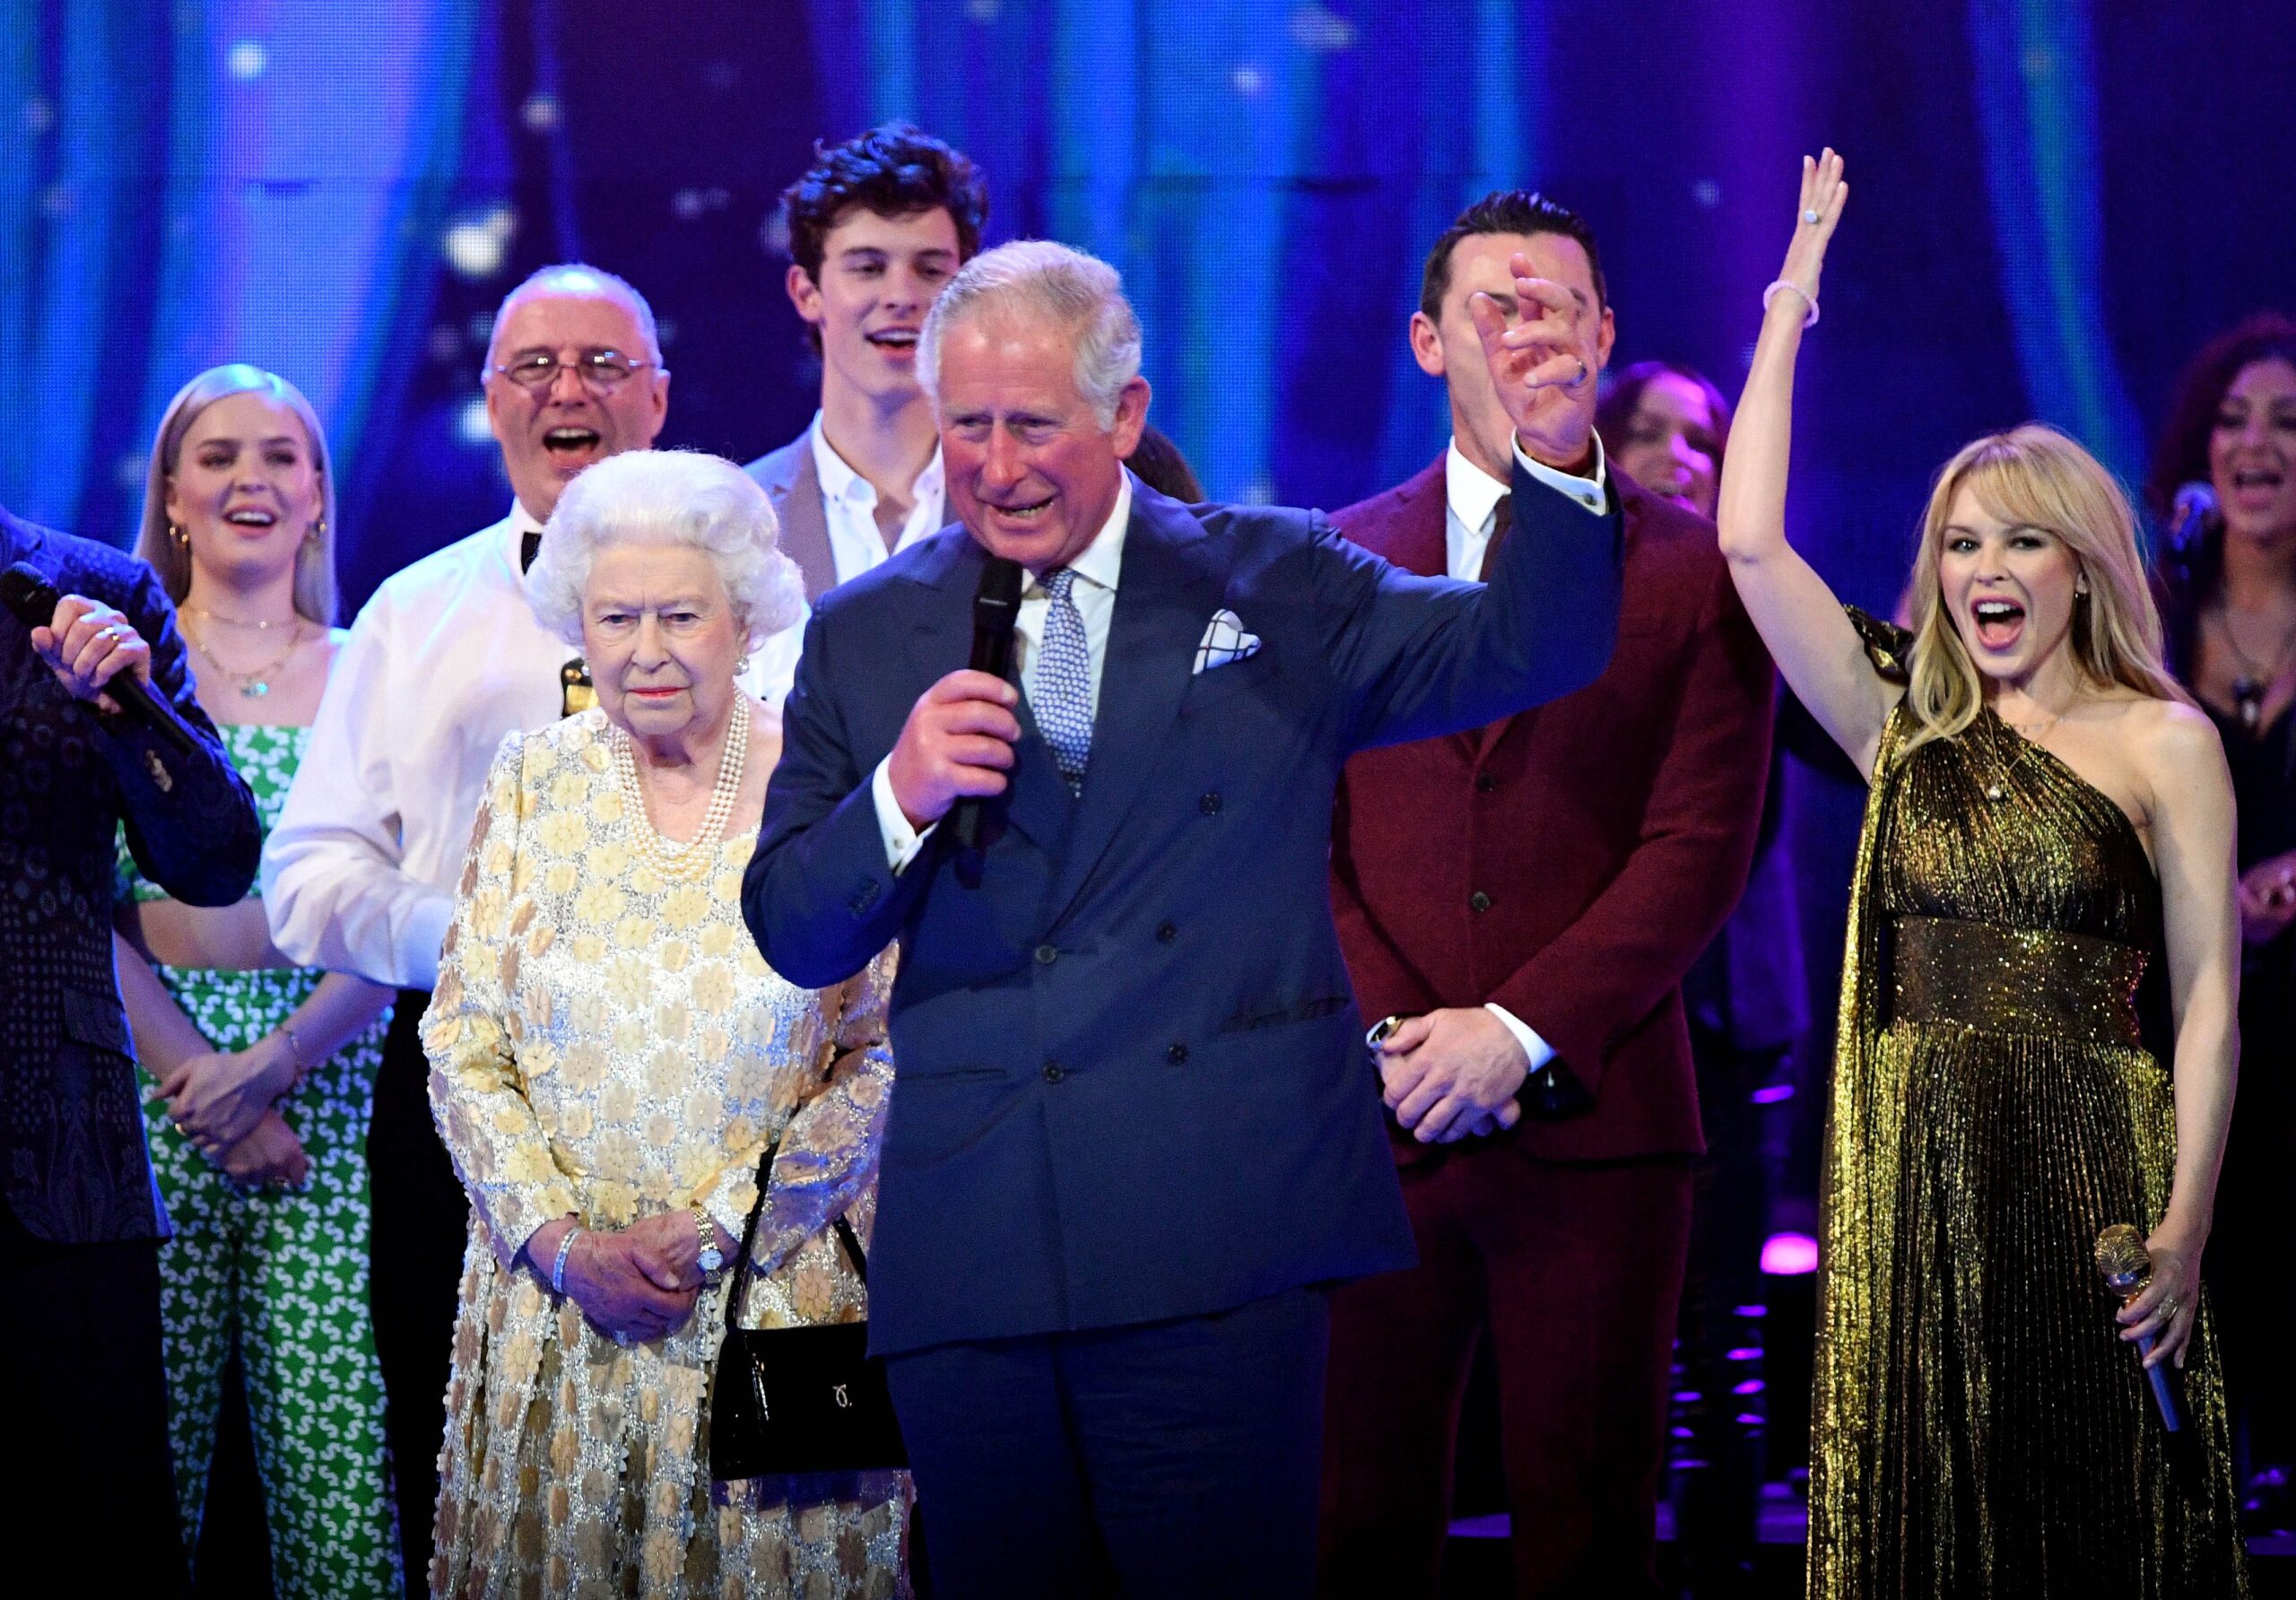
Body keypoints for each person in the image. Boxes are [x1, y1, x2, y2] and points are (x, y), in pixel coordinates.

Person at [743, 237, 1622, 1598]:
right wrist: (897, 796)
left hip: (1214, 1236)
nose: (995, 465)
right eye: (965, 426)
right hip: (978, 1249)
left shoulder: (1277, 579)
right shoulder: (866, 634)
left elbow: (1530, 646)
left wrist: (1554, 467)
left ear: (1124, 416)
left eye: (1032, 425)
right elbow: (795, 930)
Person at [1724, 152, 2248, 1596]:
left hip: (2098, 1173)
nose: (1983, 569)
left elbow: (2210, 1001)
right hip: (1917, 1174)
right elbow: (1749, 542)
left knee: (2099, 1516)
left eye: (2020, 539)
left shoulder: (2166, 742)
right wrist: (1790, 296)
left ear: (2082, 564)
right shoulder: (1900, 723)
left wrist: (2189, 1225)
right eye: (1960, 543)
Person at [264, 262, 793, 1586]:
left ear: (659, 397)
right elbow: (308, 878)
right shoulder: (412, 612)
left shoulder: (773, 628)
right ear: (493, 399)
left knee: (756, 1520)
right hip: (477, 1112)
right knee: (507, 1488)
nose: (570, 389)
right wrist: (495, 949)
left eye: (605, 364)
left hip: (743, 1139)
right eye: (535, 366)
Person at [1317, 196, 1773, 1598]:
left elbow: (1700, 845)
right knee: (1354, 1520)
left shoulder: (1697, 570)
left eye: (1555, 307)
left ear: (1604, 336)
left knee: (1590, 1525)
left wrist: (1515, 1033)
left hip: (1600, 1121)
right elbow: (1296, 837)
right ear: (1427, 340)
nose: (1527, 334)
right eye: (1495, 308)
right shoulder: (1334, 562)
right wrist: (1401, 1037)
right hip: (1376, 1122)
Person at [423, 448, 909, 1596]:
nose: (645, 649)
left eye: (680, 615)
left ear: (744, 621)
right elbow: (461, 1040)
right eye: (616, 617)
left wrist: (720, 1224)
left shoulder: (827, 788)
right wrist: (561, 1243)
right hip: (560, 1315)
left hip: (771, 1304)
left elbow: (881, 1050)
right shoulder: (531, 777)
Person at [111, 365, 400, 1595]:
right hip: (150, 1100)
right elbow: (71, 907)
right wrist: (203, 1084)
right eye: (219, 456)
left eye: (280, 456)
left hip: (324, 1089)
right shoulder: (117, 672)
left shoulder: (378, 668)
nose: (251, 480)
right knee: (138, 1474)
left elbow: (410, 907)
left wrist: (273, 1070)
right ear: (173, 495)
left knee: (341, 1502)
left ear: (319, 494)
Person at [2, 497, 264, 1593]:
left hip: (59, 1165)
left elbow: (216, 863)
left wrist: (129, 713)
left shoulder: (94, 590)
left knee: (90, 1539)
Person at [1597, 360, 1810, 1593]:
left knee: (1723, 1311)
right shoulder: (1565, 603)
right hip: (1604, 1012)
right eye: (1647, 432)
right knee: (1614, 1315)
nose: (1677, 456)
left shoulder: (1761, 605)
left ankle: (1723, 1552)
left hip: (1731, 1014)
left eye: (1701, 439)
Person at [2148, 310, 2296, 1528]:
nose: (2258, 445)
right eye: (2234, 421)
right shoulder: (2145, 621)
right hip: (2180, 1020)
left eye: (2289, 423)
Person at [748, 124, 989, 600]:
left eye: (930, 270)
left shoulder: (1016, 502)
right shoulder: (733, 517)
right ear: (806, 292)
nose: (901, 296)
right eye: (868, 268)